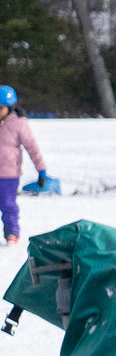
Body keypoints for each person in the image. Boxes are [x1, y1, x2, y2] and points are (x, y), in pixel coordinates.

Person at [0, 86, 43, 244]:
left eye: (1, 108)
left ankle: (12, 232)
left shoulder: (19, 124)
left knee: (7, 204)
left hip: (9, 175)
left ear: (10, 107)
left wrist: (41, 170)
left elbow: (32, 147)